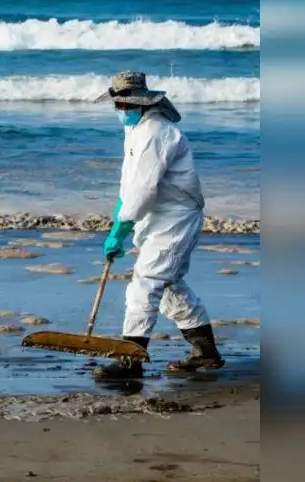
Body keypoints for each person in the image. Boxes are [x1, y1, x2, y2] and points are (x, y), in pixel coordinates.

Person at [92, 71, 224, 379]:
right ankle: (205, 353)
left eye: (126, 104)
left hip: (176, 217)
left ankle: (130, 361)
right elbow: (130, 184)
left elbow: (143, 189)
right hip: (156, 215)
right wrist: (118, 217)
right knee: (169, 287)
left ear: (142, 102)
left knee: (145, 284)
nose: (121, 110)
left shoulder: (157, 132)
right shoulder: (136, 129)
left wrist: (121, 230)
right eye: (118, 105)